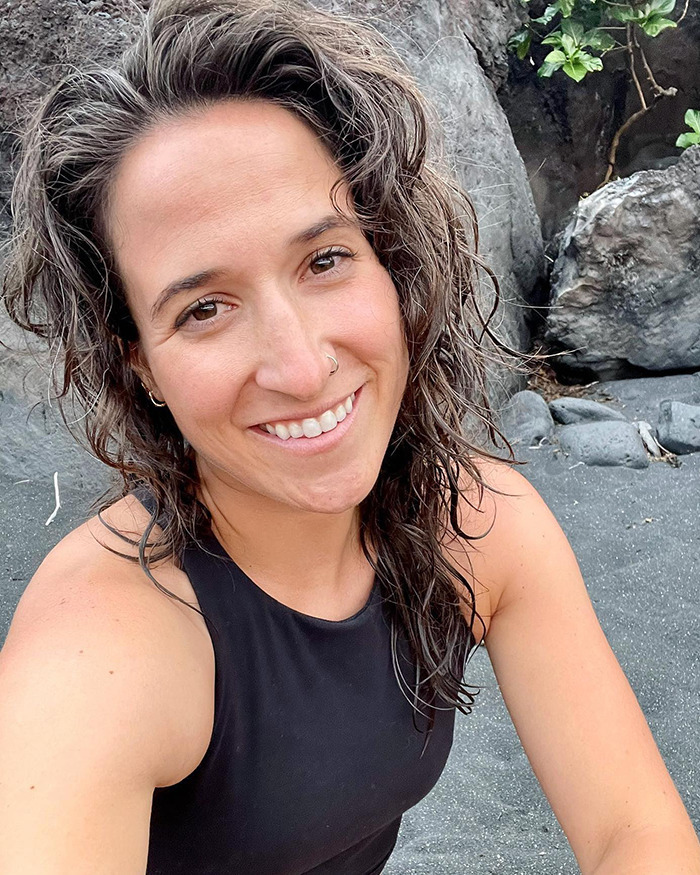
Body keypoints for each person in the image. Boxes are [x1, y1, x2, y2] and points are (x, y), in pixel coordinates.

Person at [0, 1, 698, 872]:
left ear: (390, 261)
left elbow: (637, 830)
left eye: (325, 259)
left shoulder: (478, 524)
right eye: (204, 308)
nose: (300, 367)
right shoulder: (97, 649)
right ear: (136, 360)